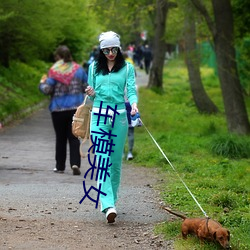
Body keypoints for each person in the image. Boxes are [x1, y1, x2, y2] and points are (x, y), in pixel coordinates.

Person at [85, 31, 138, 223]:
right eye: (106, 50)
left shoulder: (127, 68)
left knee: (115, 163)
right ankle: (107, 204)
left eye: (114, 49)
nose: (110, 53)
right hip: (98, 116)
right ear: (101, 50)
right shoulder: (93, 68)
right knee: (102, 160)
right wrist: (90, 92)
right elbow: (91, 96)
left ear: (119, 48)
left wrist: (133, 104)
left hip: (120, 118)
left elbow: (131, 90)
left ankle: (111, 201)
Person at [39, 45, 88, 175]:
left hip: (58, 109)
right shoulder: (79, 70)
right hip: (75, 109)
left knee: (60, 138)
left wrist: (42, 83)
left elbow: (47, 90)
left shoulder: (54, 71)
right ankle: (75, 163)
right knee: (73, 137)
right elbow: (86, 87)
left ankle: (60, 166)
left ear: (58, 57)